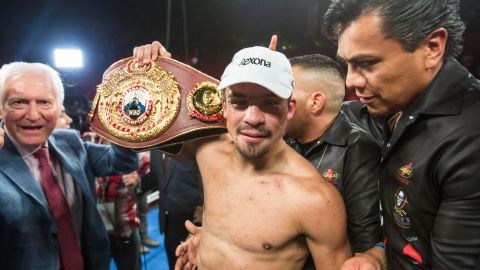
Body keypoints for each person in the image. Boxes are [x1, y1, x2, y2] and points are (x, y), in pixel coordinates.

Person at [134, 41, 352, 269]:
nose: (253, 118)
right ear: (225, 106)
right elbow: (143, 123)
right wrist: (153, 71)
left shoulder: (316, 200)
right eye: (239, 102)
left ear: (290, 109)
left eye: (269, 103)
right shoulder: (208, 150)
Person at [323, 0, 480, 269]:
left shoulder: (470, 138)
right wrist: (380, 254)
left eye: (367, 63)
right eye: (347, 64)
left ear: (432, 48)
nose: (351, 81)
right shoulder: (396, 106)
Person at [0, 62, 138, 269]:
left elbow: (123, 161)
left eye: (44, 102)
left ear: (58, 107)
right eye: (19, 102)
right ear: (1, 109)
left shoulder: (70, 142)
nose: (33, 114)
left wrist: (139, 84)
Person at [285, 54, 384, 269]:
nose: (277, 102)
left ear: (316, 102)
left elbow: (366, 240)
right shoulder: (284, 140)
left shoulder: (357, 148)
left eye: (284, 91)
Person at [141, 151, 204, 270]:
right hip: (167, 222)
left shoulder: (193, 144)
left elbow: (208, 184)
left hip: (193, 227)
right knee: (174, 264)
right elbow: (156, 175)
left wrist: (199, 225)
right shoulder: (156, 148)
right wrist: (138, 183)